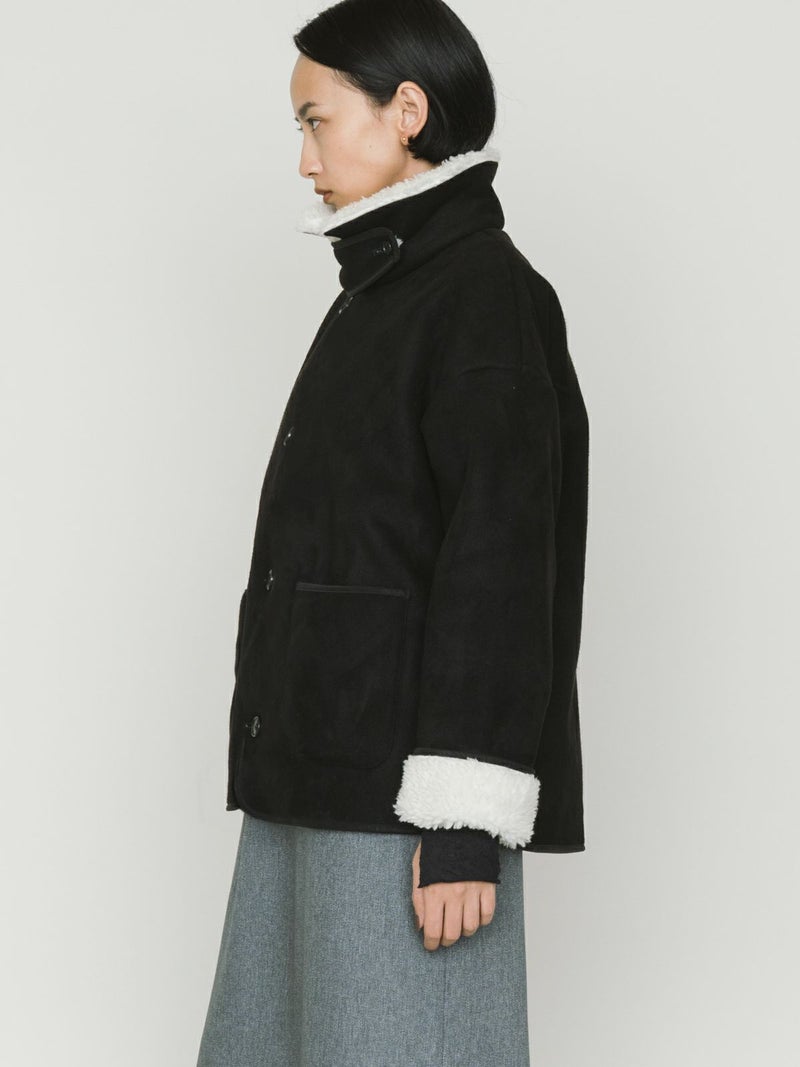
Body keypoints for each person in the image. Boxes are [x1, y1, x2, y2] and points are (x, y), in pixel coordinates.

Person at [197, 1, 589, 1063]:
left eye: (315, 121)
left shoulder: (482, 297)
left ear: (406, 110)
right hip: (316, 776)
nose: (303, 159)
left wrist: (461, 822)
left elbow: (503, 563)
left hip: (402, 804)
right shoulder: (384, 292)